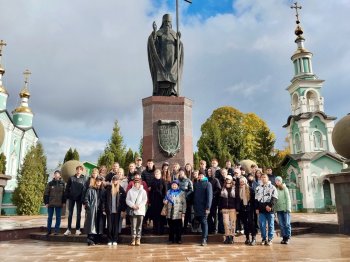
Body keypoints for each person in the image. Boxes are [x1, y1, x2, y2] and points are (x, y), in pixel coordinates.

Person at [147, 13, 184, 96]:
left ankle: (172, 91)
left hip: (172, 60)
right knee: (160, 75)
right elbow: (152, 42)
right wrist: (154, 32)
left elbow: (179, 47)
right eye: (166, 21)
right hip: (161, 59)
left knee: (172, 74)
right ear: (163, 22)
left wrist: (179, 40)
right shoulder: (159, 33)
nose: (167, 23)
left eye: (169, 22)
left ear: (171, 23)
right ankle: (159, 91)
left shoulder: (174, 34)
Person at [255, 173, 278, 246]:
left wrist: (270, 206)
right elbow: (256, 199)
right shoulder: (258, 188)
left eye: (265, 177)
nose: (263, 178)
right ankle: (264, 238)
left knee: (271, 225)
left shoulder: (272, 187)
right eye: (262, 177)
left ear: (267, 178)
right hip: (261, 210)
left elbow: (275, 197)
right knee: (262, 225)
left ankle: (270, 239)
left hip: (270, 210)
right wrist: (257, 208)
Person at [104, 175, 126, 245]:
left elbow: (123, 201)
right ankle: (109, 239)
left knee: (116, 226)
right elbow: (104, 200)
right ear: (112, 181)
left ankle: (115, 239)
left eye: (116, 180)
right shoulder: (108, 188)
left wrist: (123, 210)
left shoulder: (121, 189)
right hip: (109, 211)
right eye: (113, 180)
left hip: (117, 211)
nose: (115, 181)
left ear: (118, 181)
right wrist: (104, 209)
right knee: (110, 226)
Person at [64, 165, 86, 236]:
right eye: (77, 169)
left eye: (80, 169)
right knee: (70, 214)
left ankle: (78, 229)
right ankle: (69, 229)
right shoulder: (71, 178)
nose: (79, 170)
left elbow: (85, 189)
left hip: (79, 198)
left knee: (78, 214)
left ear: (82, 171)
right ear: (76, 170)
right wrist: (67, 196)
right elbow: (67, 188)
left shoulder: (84, 179)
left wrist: (83, 199)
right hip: (71, 198)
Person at [84, 176, 105, 246]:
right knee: (91, 225)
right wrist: (89, 208)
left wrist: (104, 209)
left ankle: (97, 240)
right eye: (98, 180)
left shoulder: (103, 190)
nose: (99, 182)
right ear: (95, 181)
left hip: (100, 210)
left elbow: (105, 200)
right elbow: (86, 199)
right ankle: (90, 240)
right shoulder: (90, 189)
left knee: (99, 225)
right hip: (92, 210)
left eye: (100, 181)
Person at [126, 178, 148, 246]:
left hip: (140, 210)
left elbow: (144, 200)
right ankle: (133, 238)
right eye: (135, 183)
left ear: (140, 184)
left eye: (138, 183)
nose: (136, 184)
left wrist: (139, 206)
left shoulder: (143, 191)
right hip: (133, 210)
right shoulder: (130, 191)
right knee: (133, 226)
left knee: (139, 226)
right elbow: (127, 200)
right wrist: (133, 206)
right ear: (133, 183)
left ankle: (138, 238)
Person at [44, 170, 66, 236]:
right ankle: (48, 230)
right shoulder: (50, 183)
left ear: (60, 176)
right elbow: (46, 193)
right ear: (54, 175)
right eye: (55, 174)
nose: (56, 175)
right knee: (50, 217)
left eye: (58, 174)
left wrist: (64, 202)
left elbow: (64, 194)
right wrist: (46, 202)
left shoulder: (63, 183)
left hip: (59, 203)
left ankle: (56, 231)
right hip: (51, 203)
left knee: (58, 217)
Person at [193, 172, 213, 246]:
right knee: (200, 222)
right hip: (197, 207)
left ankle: (204, 238)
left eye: (202, 175)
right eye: (199, 175)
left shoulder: (208, 184)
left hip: (204, 207)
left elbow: (209, 197)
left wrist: (208, 207)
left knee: (204, 222)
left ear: (204, 176)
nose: (200, 176)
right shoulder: (196, 184)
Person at [219, 175, 239, 244]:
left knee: (233, 223)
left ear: (231, 180)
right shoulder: (223, 188)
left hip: (233, 208)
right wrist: (220, 208)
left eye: (229, 179)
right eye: (226, 179)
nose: (228, 180)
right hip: (225, 208)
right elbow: (220, 199)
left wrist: (237, 209)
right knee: (226, 223)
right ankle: (227, 237)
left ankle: (232, 237)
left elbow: (237, 199)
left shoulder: (235, 188)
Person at [239, 176, 257, 245]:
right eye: (240, 182)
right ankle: (247, 238)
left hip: (250, 208)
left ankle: (253, 238)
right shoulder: (239, 189)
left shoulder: (250, 189)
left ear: (245, 182)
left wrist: (254, 208)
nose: (241, 183)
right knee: (245, 224)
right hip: (242, 209)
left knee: (251, 223)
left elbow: (254, 200)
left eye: (243, 182)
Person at [150, 169, 167, 235]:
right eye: (156, 174)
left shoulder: (163, 181)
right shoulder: (152, 181)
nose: (157, 175)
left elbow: (165, 191)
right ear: (154, 175)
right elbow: (151, 192)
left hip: (161, 201)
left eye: (158, 173)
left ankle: (161, 230)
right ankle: (155, 230)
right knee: (155, 216)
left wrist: (165, 199)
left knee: (161, 216)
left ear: (160, 174)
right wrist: (150, 200)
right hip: (154, 201)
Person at [275, 176, 292, 244]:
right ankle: (284, 237)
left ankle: (288, 237)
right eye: (276, 181)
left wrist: (288, 208)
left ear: (281, 181)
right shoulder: (275, 189)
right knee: (281, 224)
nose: (277, 182)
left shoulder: (285, 188)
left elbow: (288, 199)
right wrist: (275, 209)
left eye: (279, 181)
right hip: (279, 209)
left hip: (285, 209)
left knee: (287, 224)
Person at [207, 167, 221, 234]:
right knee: (208, 215)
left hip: (214, 200)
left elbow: (218, 189)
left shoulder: (215, 180)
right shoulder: (206, 179)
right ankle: (210, 228)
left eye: (210, 171)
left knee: (214, 215)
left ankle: (215, 229)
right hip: (207, 200)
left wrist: (212, 193)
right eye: (208, 171)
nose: (209, 172)